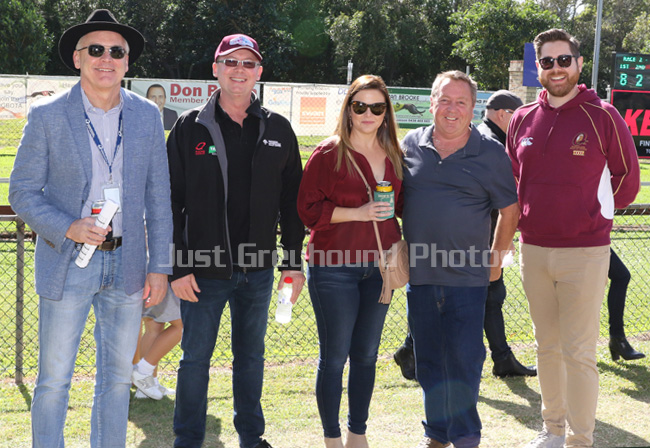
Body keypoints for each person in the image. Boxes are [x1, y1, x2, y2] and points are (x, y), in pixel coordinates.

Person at [8, 9, 172, 447]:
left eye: (116, 51)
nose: (106, 58)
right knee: (54, 380)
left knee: (117, 381)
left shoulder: (146, 116)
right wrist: (69, 227)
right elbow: (22, 191)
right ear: (77, 58)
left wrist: (159, 266)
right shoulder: (47, 115)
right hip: (68, 262)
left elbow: (159, 197)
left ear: (127, 62)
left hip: (129, 264)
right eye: (96, 49)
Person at [167, 33, 305, 448]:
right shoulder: (189, 127)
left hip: (258, 271)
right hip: (202, 272)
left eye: (248, 63)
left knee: (251, 359)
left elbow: (292, 204)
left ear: (259, 72)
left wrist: (293, 263)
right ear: (216, 69)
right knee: (195, 360)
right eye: (231, 62)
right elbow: (169, 201)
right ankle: (187, 440)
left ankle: (251, 437)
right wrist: (178, 267)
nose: (239, 70)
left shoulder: (278, 128)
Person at [506, 29, 640, 448]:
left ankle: (580, 439)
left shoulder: (603, 116)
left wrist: (591, 217)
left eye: (564, 60)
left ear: (579, 63)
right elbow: (513, 183)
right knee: (546, 347)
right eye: (547, 62)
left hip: (585, 251)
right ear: (538, 68)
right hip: (533, 250)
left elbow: (627, 180)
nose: (556, 69)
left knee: (578, 352)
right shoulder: (522, 118)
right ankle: (553, 429)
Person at [402, 70, 520, 448]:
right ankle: (436, 434)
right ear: (431, 103)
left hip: (468, 279)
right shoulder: (410, 145)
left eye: (461, 102)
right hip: (421, 276)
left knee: (464, 360)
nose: (451, 109)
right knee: (428, 361)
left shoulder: (491, 152)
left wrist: (496, 260)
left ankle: (466, 436)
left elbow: (510, 210)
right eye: (445, 100)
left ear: (473, 108)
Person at [394, 90, 535, 381]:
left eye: (461, 102)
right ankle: (417, 349)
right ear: (501, 114)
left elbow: (507, 206)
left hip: (478, 244)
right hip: (470, 246)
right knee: (484, 300)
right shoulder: (486, 142)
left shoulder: (488, 143)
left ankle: (499, 357)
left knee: (488, 301)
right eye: (516, 115)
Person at [298, 75, 404, 448]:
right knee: (334, 357)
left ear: (386, 112)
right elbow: (307, 210)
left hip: (380, 268)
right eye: (360, 106)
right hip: (333, 266)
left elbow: (403, 206)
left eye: (377, 107)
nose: (368, 114)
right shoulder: (329, 153)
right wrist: (358, 213)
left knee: (366, 356)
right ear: (348, 109)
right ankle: (331, 438)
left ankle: (357, 434)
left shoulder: (394, 153)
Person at [131, 286, 183, 400]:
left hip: (148, 281)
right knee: (183, 324)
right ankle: (142, 371)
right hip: (159, 280)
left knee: (154, 328)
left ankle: (148, 386)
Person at [607, 248, 645, 360]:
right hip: (582, 242)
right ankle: (617, 339)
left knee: (621, 276)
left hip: (597, 242)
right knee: (621, 276)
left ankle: (617, 339)